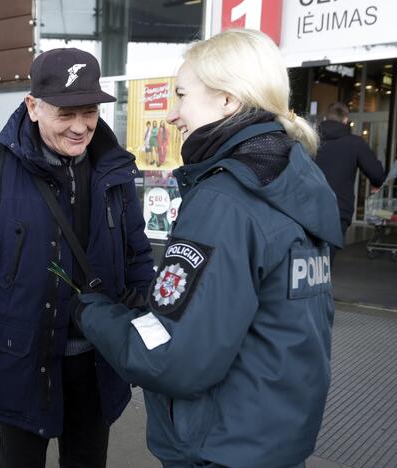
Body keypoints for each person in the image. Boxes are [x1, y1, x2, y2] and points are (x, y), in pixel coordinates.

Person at [71, 29, 343, 468]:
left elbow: (172, 359)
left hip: (219, 445)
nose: (174, 115)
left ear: (228, 101)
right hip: (275, 434)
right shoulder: (296, 183)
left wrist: (93, 313)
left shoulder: (226, 200)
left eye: (181, 95)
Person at [0, 48, 154, 468]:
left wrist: (150, 338)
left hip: (98, 363)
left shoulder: (116, 172)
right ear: (33, 106)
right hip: (19, 364)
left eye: (89, 112)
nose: (80, 127)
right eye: (65, 114)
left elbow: (138, 259)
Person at [315, 102, 386, 256]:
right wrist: (376, 184)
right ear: (346, 120)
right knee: (326, 260)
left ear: (326, 118)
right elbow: (376, 173)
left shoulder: (312, 140)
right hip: (338, 209)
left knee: (304, 256)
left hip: (307, 206)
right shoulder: (355, 143)